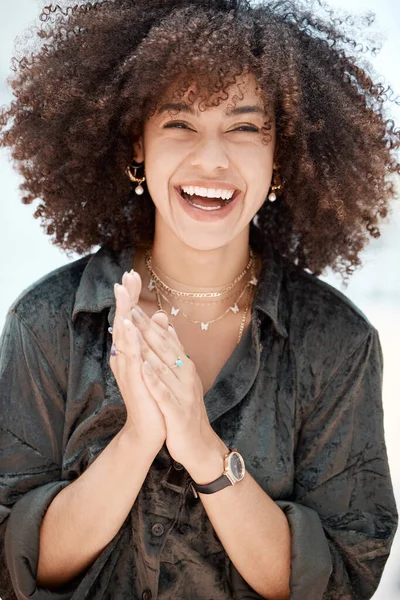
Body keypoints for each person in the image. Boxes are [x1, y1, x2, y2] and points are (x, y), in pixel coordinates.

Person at [0, 0, 398, 598]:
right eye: (180, 123)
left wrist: (204, 450)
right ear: (138, 144)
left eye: (243, 127)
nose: (211, 159)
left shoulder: (338, 342)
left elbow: (340, 581)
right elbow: (15, 569)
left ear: (280, 157)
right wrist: (138, 438)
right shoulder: (48, 322)